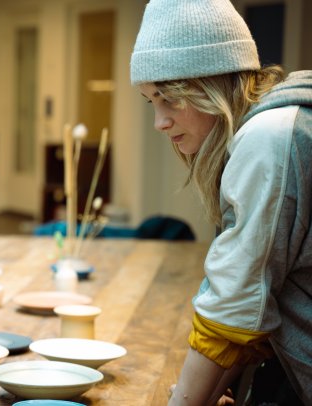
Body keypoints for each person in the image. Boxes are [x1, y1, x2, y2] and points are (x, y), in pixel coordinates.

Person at [130, 0, 312, 404]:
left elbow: (234, 302)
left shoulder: (268, 137)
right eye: (151, 101)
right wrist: (212, 389)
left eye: (169, 97)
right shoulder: (277, 126)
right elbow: (261, 295)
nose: (159, 121)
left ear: (212, 85)